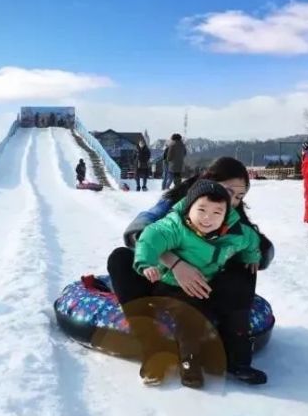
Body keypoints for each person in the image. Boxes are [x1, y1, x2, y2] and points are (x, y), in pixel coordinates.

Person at [106, 157, 274, 385]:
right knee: (120, 259)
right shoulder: (182, 203)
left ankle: (235, 355)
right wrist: (175, 263)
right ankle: (152, 346)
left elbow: (257, 245)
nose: (233, 201)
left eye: (240, 197)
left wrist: (253, 255)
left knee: (243, 269)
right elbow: (140, 233)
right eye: (228, 191)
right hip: (164, 277)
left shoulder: (229, 214)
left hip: (206, 284)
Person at [134, 180, 263, 388]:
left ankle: (239, 362)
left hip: (206, 282)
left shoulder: (234, 231)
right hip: (173, 284)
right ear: (189, 208)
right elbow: (150, 237)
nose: (207, 218)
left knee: (229, 309)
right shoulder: (176, 226)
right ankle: (189, 363)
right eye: (201, 209)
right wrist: (146, 263)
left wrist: (252, 256)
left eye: (216, 213)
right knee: (189, 316)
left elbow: (251, 240)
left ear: (225, 215)